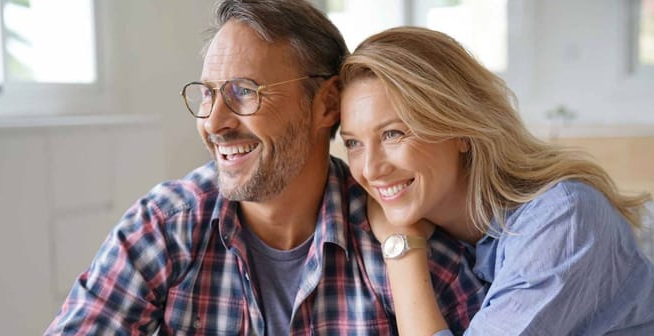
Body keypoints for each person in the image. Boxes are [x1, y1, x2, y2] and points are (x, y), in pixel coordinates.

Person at [45, 2, 487, 335]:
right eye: (207, 93)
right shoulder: (165, 225)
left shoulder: (402, 242)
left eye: (244, 91)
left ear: (327, 104)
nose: (214, 123)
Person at [338, 26, 654, 336]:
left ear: (460, 129)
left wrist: (402, 248)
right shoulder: (445, 232)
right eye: (353, 143)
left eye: (393, 134)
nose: (370, 169)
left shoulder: (563, 219)